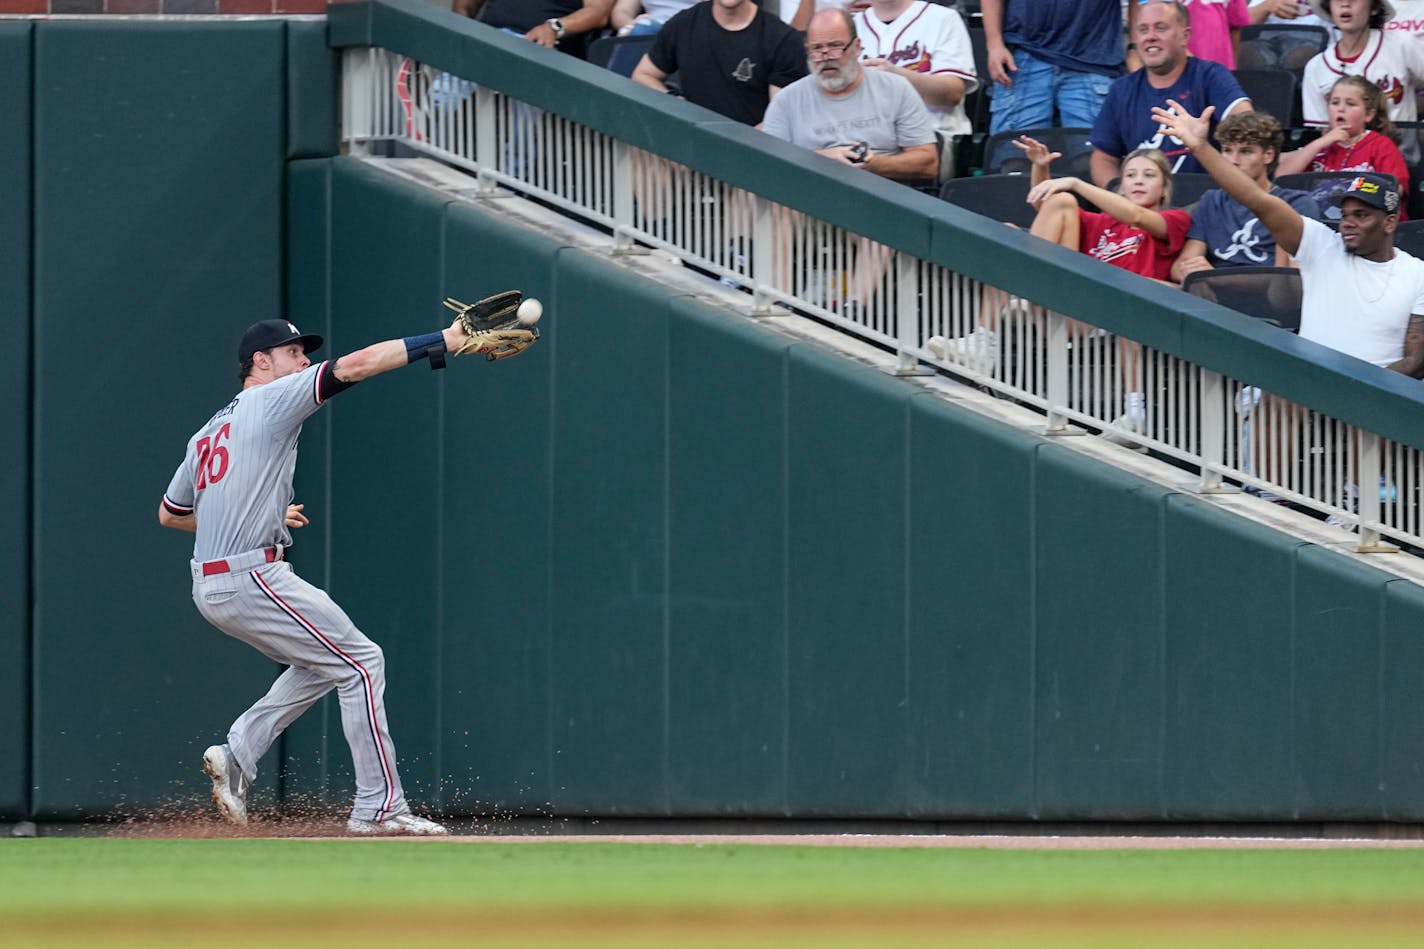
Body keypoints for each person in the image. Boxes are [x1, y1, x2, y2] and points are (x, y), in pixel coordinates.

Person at [158, 314, 525, 835]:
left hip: (212, 585)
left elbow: (171, 513)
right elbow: (356, 365)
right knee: (361, 664)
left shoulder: (208, 430)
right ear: (260, 362)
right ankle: (380, 809)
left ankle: (238, 754)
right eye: (292, 352)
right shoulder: (272, 399)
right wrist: (443, 340)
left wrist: (257, 512)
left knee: (325, 663)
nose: (303, 360)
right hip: (253, 576)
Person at [1154, 98, 1424, 375]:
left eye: (1362, 215)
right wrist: (1200, 147)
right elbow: (1254, 198)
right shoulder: (1322, 245)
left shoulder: (1417, 274)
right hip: (1304, 385)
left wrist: (1357, 395)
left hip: (1378, 398)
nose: (1348, 223)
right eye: (1344, 215)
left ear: (1390, 223)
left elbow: (1415, 362)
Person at [761, 8, 939, 181]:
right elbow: (768, 168)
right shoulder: (785, 102)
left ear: (857, 47)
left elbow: (928, 163)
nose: (826, 57)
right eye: (816, 49)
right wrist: (821, 160)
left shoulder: (895, 88)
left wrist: (874, 164)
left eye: (835, 46)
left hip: (885, 199)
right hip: (810, 201)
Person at [1090, 0, 1253, 187]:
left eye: (1160, 28)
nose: (1150, 37)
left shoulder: (1211, 76)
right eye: (1143, 30)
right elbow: (1103, 158)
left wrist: (1202, 143)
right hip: (1143, 210)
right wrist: (1120, 193)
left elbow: (1245, 120)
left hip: (1205, 203)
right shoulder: (1121, 90)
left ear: (1185, 36)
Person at [1171, 110, 1323, 282]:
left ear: (1268, 155)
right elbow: (1181, 265)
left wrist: (1216, 279)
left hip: (1262, 304)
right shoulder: (1212, 201)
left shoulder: (1297, 203)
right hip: (1209, 296)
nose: (1233, 160)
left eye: (1245, 151)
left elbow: (1293, 283)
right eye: (1227, 150)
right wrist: (1191, 271)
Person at [632, 0, 808, 126]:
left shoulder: (781, 39)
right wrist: (676, 102)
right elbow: (643, 75)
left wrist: (728, 149)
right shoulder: (684, 24)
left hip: (751, 159)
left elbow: (779, 121)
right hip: (690, 151)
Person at [980, 0, 1126, 136]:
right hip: (1024, 54)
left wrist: (1134, 48)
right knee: (1016, 156)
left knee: (1093, 157)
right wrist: (994, 44)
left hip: (1092, 58)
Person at [1279, 73, 1412, 217]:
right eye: (1335, 103)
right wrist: (1320, 143)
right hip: (1321, 225)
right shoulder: (1320, 147)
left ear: (1368, 115)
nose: (1340, 109)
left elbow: (1395, 192)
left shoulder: (1380, 145)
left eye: (1350, 104)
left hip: (1367, 224)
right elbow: (1282, 178)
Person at [852, 0, 979, 140]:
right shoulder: (848, 26)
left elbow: (952, 93)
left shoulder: (942, 18)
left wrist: (896, 77)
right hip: (860, 139)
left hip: (931, 137)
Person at [1300, 0, 1424, 129]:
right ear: (1329, 8)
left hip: (1400, 145)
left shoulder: (1401, 44)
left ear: (1374, 8)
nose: (1345, 3)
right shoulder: (1316, 67)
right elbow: (1320, 130)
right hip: (1344, 147)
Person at [451, 0, 615, 59]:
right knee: (443, 97)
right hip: (487, 38)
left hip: (539, 48)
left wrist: (555, 27)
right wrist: (460, 29)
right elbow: (465, 5)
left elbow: (598, 13)